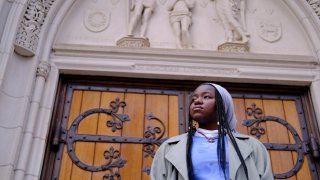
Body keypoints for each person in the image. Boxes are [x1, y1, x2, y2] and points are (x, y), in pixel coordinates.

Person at [150, 83, 274, 180]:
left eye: (206, 97)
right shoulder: (169, 147)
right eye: (194, 99)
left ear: (223, 105)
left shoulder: (252, 146)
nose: (197, 101)